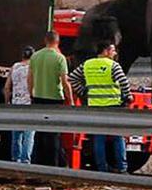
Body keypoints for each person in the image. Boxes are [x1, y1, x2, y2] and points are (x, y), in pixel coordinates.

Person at [68, 41, 133, 173]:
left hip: (95, 106)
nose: (115, 53)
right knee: (118, 137)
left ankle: (101, 168)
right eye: (113, 50)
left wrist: (83, 92)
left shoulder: (87, 64)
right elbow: (124, 83)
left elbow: (72, 78)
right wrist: (127, 97)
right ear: (106, 51)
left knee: (98, 138)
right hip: (113, 105)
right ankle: (122, 167)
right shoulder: (113, 65)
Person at [29, 30, 73, 166]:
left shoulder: (35, 56)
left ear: (45, 40)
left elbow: (29, 78)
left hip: (38, 97)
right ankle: (52, 166)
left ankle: (37, 164)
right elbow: (65, 82)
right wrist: (70, 100)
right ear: (58, 41)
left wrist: (31, 93)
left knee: (39, 133)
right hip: (54, 99)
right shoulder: (60, 58)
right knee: (53, 134)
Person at [3, 46, 35, 163]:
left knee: (16, 134)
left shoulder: (15, 67)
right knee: (29, 134)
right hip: (29, 103)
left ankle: (15, 158)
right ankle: (25, 160)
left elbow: (7, 88)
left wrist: (7, 102)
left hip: (16, 103)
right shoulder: (33, 68)